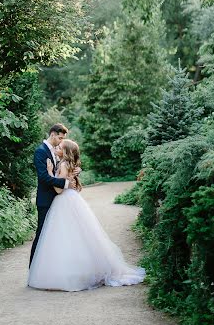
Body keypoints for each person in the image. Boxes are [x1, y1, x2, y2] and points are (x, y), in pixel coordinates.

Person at [28, 139, 146, 291]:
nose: (57, 148)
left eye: (60, 147)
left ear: (65, 152)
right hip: (72, 200)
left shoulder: (63, 165)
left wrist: (51, 172)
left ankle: (68, 272)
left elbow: (58, 190)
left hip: (63, 201)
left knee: (64, 237)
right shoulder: (67, 164)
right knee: (78, 236)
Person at [29, 123, 79, 267]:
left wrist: (75, 171)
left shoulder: (56, 151)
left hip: (58, 201)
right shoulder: (40, 151)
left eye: (63, 138)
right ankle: (33, 269)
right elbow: (44, 177)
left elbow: (66, 165)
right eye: (60, 138)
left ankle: (51, 268)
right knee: (41, 235)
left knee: (55, 237)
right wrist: (65, 184)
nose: (61, 141)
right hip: (46, 200)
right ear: (52, 134)